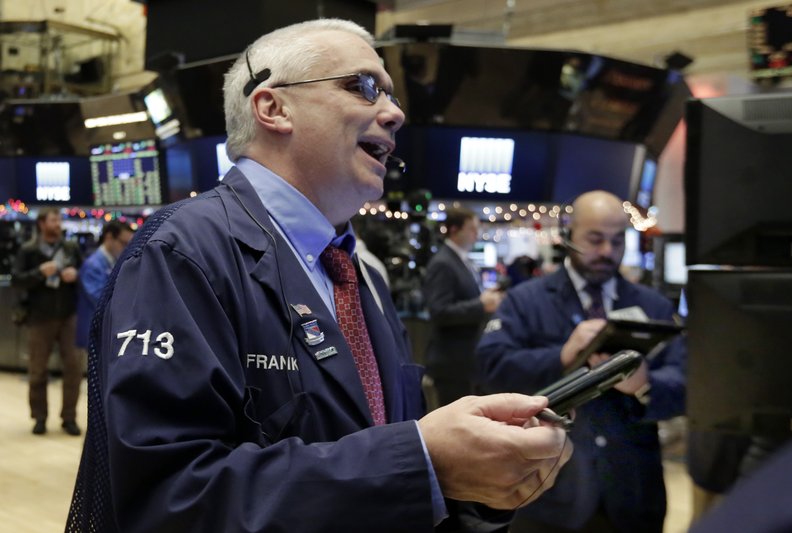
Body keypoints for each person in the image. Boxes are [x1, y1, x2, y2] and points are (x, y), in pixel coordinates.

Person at [66, 19, 572, 533]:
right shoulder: (181, 252)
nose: (395, 114)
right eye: (364, 86)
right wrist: (421, 462)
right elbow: (167, 501)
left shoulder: (360, 273)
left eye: (392, 95)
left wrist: (475, 490)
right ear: (273, 107)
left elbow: (384, 455)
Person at [476, 190, 686, 532]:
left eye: (617, 241)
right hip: (548, 491)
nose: (607, 251)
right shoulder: (524, 300)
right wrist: (560, 356)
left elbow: (686, 387)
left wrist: (646, 383)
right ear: (569, 235)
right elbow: (488, 370)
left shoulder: (654, 306)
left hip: (632, 493)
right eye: (595, 239)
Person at [11, 207, 83, 436]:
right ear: (42, 223)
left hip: (69, 315)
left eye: (59, 219)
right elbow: (17, 280)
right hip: (39, 317)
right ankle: (39, 417)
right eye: (53, 220)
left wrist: (76, 275)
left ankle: (69, 417)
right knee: (37, 370)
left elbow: (85, 272)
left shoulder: (70, 248)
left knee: (74, 367)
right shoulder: (28, 250)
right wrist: (39, 273)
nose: (58, 223)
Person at [423, 206, 505, 407]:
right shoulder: (443, 262)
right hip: (451, 361)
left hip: (466, 359)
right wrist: (480, 305)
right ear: (454, 230)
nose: (476, 235)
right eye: (472, 229)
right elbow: (439, 311)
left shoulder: (461, 259)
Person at [75, 219, 134, 352]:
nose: (126, 249)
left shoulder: (113, 261)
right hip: (97, 331)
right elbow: (102, 301)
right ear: (109, 237)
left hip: (108, 330)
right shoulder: (93, 265)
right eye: (124, 243)